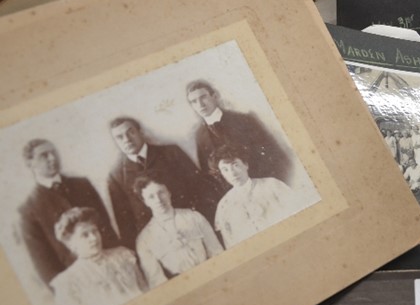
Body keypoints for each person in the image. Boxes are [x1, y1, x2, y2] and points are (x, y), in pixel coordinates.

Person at [107, 116, 219, 251]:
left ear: (140, 132)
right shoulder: (116, 176)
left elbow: (202, 188)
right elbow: (125, 223)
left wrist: (209, 223)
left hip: (192, 226)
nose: (126, 139)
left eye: (130, 132)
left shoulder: (171, 153)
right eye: (119, 137)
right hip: (158, 242)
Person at [18, 139, 119, 286]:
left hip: (113, 266)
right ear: (30, 164)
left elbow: (106, 227)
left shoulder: (82, 185)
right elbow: (45, 264)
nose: (52, 158)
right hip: (80, 282)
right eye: (44, 155)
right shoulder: (29, 210)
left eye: (53, 152)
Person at [50, 207, 147, 305]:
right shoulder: (68, 282)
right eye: (85, 235)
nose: (94, 238)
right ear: (71, 243)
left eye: (95, 231)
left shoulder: (123, 255)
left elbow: (145, 289)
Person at [186, 80, 291, 192]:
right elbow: (209, 172)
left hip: (265, 185)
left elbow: (274, 154)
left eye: (203, 97)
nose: (200, 104)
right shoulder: (200, 136)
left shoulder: (243, 120)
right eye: (194, 101)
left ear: (214, 96)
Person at [133, 173, 223, 288]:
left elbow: (216, 251)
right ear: (145, 202)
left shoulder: (194, 217)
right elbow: (157, 281)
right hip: (181, 288)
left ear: (169, 193)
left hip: (213, 276)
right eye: (151, 197)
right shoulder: (144, 239)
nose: (158, 200)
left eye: (161, 192)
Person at [211, 145, 309, 248]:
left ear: (245, 165)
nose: (232, 173)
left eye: (235, 165)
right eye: (225, 170)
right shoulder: (224, 206)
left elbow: (299, 214)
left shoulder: (272, 185)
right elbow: (230, 242)